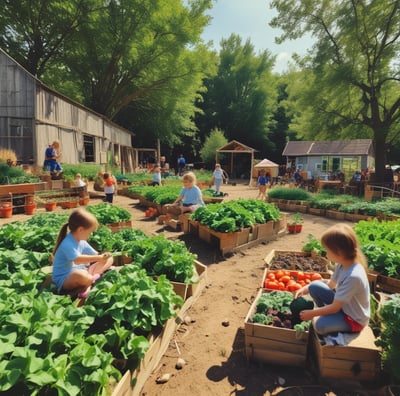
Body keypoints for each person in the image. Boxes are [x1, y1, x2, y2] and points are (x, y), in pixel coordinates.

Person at [294, 223, 370, 336]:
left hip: (353, 318)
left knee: (320, 326)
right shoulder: (342, 264)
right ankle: (327, 314)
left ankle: (331, 319)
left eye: (327, 250)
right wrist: (307, 287)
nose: (326, 253)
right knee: (315, 286)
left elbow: (335, 307)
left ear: (339, 252)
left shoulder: (353, 276)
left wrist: (313, 313)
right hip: (343, 307)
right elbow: (330, 285)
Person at [51, 208, 114, 299]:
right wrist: (98, 258)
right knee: (81, 275)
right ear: (80, 230)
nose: (91, 234)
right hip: (65, 278)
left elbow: (95, 254)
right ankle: (91, 280)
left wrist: (103, 257)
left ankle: (91, 278)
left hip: (82, 270)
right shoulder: (67, 243)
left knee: (110, 259)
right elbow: (77, 259)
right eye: (90, 232)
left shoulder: (81, 241)